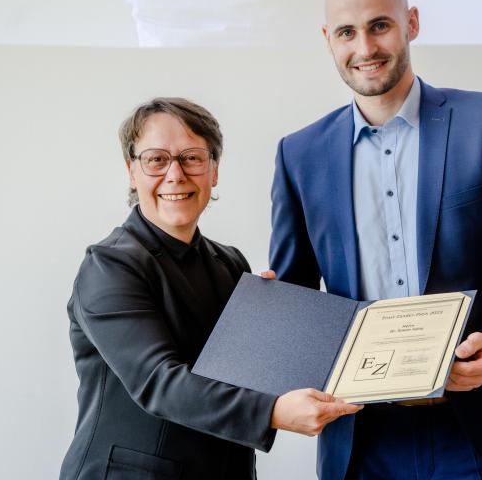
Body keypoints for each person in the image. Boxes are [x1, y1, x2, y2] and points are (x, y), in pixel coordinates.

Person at [269, 0, 482, 480]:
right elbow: (299, 294)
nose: (364, 46)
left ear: (411, 22)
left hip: (481, 428)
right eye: (347, 32)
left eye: (380, 25)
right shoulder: (299, 154)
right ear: (328, 40)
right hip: (362, 440)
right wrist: (270, 306)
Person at [60, 97, 361, 480]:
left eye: (192, 158)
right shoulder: (109, 266)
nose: (175, 175)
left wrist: (277, 321)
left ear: (214, 171)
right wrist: (273, 412)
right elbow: (159, 381)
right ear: (131, 172)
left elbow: (247, 374)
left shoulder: (230, 264)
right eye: (156, 159)